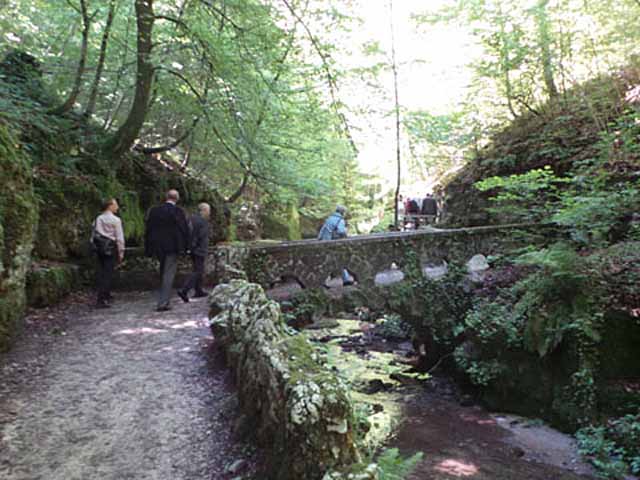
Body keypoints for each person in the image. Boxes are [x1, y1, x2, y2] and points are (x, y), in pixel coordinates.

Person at [145, 190, 190, 312]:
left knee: (163, 271)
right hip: (173, 247)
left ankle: (164, 299)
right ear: (177, 199)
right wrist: (186, 247)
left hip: (157, 247)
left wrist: (148, 247)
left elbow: (149, 229)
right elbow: (184, 230)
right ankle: (163, 302)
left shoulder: (155, 211)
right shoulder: (178, 212)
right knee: (168, 274)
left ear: (166, 197)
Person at [92, 198, 125, 308]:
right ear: (110, 206)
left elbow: (95, 232)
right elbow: (119, 238)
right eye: (115, 204)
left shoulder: (99, 218)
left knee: (101, 273)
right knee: (108, 274)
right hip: (110, 248)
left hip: (99, 248)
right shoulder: (116, 220)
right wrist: (121, 252)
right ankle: (102, 299)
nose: (117, 207)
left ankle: (104, 295)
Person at [178, 202, 211, 302]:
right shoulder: (202, 222)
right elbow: (201, 236)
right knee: (198, 271)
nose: (209, 213)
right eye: (208, 211)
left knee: (197, 269)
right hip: (199, 249)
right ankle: (184, 290)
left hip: (192, 249)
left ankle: (198, 290)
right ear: (204, 210)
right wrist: (197, 247)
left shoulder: (191, 219)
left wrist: (189, 247)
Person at [318, 205, 353, 285]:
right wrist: (346, 231)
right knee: (339, 260)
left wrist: (319, 239)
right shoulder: (340, 220)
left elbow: (323, 230)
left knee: (328, 262)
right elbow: (341, 231)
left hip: (325, 242)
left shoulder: (329, 218)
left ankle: (344, 279)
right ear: (342, 212)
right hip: (333, 243)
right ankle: (345, 279)